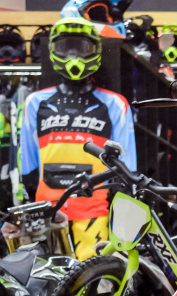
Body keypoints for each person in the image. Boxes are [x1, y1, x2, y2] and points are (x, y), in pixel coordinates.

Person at [20, 17, 136, 259]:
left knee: (95, 279)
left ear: (94, 50)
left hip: (94, 213)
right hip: (47, 214)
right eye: (65, 47)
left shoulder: (115, 104)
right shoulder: (34, 102)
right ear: (53, 50)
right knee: (46, 279)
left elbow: (127, 170)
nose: (73, 55)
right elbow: (28, 168)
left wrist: (124, 226)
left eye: (81, 47)